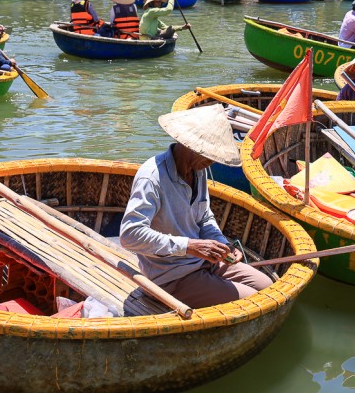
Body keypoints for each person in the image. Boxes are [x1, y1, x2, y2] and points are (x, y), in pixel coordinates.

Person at [117, 104, 273, 308]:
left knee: (268, 286)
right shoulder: (152, 178)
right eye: (208, 154)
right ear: (188, 145)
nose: (211, 162)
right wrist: (190, 246)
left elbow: (204, 217)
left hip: (202, 262)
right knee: (253, 301)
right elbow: (130, 235)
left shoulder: (198, 172)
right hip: (171, 276)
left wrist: (221, 244)